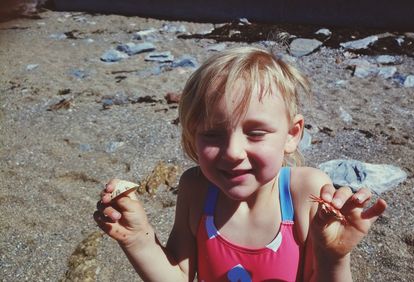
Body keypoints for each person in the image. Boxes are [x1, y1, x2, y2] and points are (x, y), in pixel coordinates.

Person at [94, 46, 387, 281]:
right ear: (192, 136)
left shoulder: (304, 191)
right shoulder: (195, 189)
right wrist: (138, 240)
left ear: (291, 135)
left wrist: (333, 257)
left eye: (256, 132)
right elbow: (179, 276)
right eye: (212, 133)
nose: (233, 152)